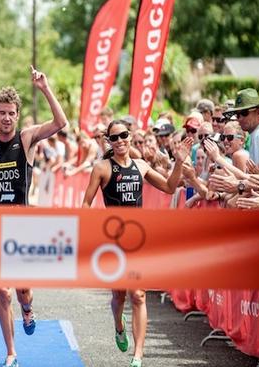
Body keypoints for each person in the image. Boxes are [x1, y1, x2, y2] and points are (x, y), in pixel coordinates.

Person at [0, 66, 67, 367]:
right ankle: (11, 353)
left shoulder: (27, 139)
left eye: (11, 113)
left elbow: (61, 122)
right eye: (2, 112)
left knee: (22, 291)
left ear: (17, 115)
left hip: (24, 225)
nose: (6, 118)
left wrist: (44, 88)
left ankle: (28, 308)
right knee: (3, 292)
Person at [81, 120, 192, 367]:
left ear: (130, 137)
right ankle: (118, 325)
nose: (120, 141)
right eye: (115, 137)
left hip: (137, 240)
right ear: (109, 141)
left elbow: (170, 187)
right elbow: (86, 204)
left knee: (138, 295)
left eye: (124, 136)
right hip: (112, 242)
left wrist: (180, 162)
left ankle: (138, 356)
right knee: (119, 296)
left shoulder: (141, 166)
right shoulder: (101, 168)